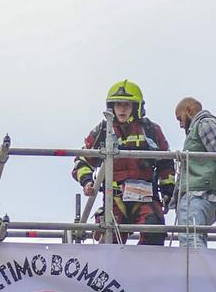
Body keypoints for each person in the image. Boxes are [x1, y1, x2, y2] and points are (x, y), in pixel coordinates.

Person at [73, 82, 174, 244]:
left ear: (136, 107)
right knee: (108, 238)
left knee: (154, 231)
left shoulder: (151, 130)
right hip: (114, 198)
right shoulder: (103, 131)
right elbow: (82, 160)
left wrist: (168, 190)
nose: (122, 109)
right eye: (118, 104)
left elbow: (166, 163)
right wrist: (87, 182)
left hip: (146, 197)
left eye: (127, 105)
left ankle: (140, 267)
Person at [172, 97, 216, 247]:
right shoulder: (200, 127)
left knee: (191, 241)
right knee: (194, 239)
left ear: (189, 110)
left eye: (180, 119)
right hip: (200, 195)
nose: (181, 125)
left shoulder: (204, 123)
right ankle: (199, 268)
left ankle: (197, 270)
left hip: (198, 195)